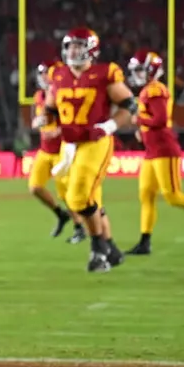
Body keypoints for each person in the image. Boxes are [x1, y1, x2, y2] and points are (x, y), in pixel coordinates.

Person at [46, 28, 135, 272]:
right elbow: (50, 109)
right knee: (86, 198)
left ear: (91, 49)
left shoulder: (104, 73)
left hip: (95, 143)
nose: (73, 50)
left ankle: (99, 251)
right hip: (69, 144)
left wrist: (108, 126)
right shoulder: (59, 75)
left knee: (78, 197)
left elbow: (129, 106)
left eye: (78, 45)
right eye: (70, 46)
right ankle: (112, 249)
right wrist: (49, 124)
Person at [124, 50, 184, 255]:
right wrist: (141, 131)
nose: (137, 74)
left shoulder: (155, 90)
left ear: (152, 69)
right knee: (146, 194)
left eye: (141, 70)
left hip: (164, 150)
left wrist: (139, 121)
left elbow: (159, 120)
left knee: (173, 196)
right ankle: (145, 241)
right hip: (152, 151)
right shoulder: (148, 90)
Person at [27, 62, 84, 241]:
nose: (43, 77)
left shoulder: (62, 94)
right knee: (35, 187)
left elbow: (71, 121)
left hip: (61, 148)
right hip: (45, 150)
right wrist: (38, 124)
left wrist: (58, 131)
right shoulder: (39, 96)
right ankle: (60, 214)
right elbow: (39, 119)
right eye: (42, 73)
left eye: (46, 74)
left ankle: (79, 226)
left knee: (65, 191)